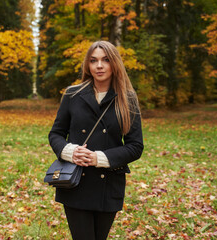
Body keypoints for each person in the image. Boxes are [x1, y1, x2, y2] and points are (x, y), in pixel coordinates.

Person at [48, 41, 144, 240]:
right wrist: (70, 152)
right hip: (76, 184)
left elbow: (135, 146)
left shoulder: (127, 98)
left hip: (108, 184)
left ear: (114, 63)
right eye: (94, 60)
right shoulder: (73, 94)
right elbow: (56, 134)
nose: (99, 65)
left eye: (105, 60)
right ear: (88, 65)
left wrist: (99, 158)